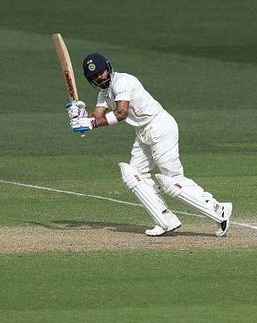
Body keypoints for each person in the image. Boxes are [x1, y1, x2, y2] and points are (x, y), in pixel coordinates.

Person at [67, 53, 232, 237]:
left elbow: (121, 113)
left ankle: (219, 210)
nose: (99, 77)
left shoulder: (123, 81)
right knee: (134, 175)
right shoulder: (103, 94)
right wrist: (81, 115)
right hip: (143, 132)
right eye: (94, 76)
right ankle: (165, 220)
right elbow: (97, 117)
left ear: (108, 68)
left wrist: (90, 124)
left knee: (172, 180)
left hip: (160, 126)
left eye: (101, 72)